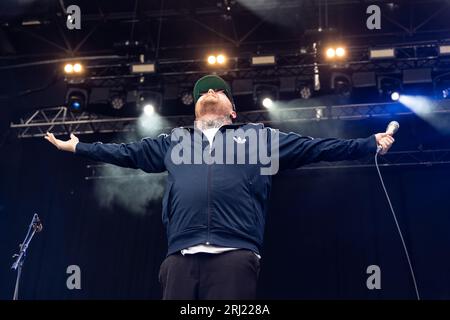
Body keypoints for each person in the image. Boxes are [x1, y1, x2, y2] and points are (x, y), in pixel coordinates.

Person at [45, 75, 395, 299]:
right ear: (195, 111)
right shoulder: (174, 141)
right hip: (180, 259)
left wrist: (367, 143)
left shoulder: (257, 137)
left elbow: (315, 147)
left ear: (233, 112)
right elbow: (126, 152)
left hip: (235, 255)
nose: (209, 92)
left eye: (217, 90)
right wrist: (78, 147)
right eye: (202, 92)